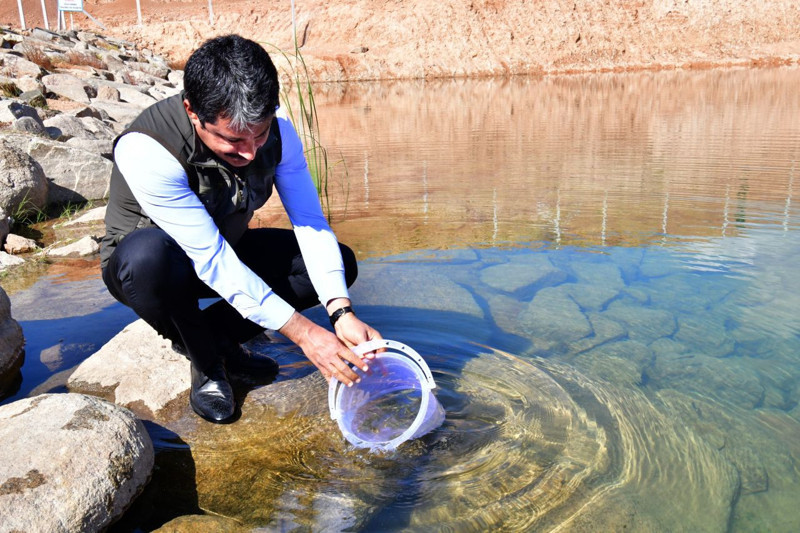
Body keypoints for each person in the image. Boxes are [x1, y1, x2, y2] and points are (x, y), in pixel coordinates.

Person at [100, 34, 382, 424]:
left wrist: (340, 312)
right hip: (153, 268)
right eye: (232, 140)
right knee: (148, 258)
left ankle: (217, 337)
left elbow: (310, 223)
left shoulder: (280, 133)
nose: (250, 152)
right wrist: (304, 334)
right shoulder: (147, 149)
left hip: (223, 247)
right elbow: (211, 259)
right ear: (192, 111)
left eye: (259, 134)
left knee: (339, 264)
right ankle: (207, 363)